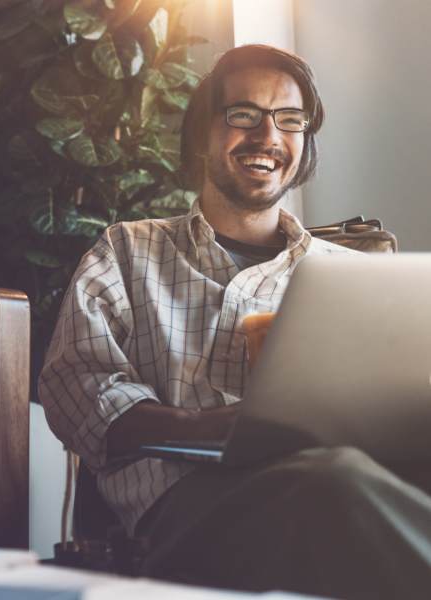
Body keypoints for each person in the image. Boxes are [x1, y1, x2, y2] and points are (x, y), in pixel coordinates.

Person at [39, 44, 431, 597]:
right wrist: (210, 428)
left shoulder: (347, 274)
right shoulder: (129, 250)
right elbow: (75, 388)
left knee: (355, 475)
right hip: (181, 510)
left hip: (345, 487)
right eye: (243, 115)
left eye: (289, 120)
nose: (269, 136)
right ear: (203, 134)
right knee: (330, 479)